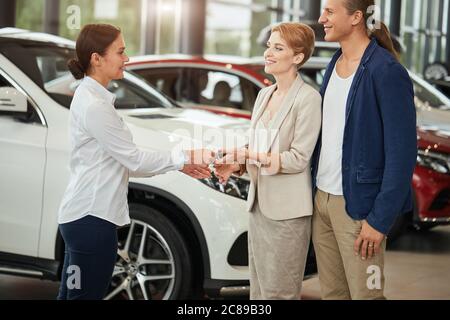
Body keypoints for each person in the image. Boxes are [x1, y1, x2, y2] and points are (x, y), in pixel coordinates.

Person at [57, 24, 214, 300]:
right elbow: (133, 158)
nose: (126, 58)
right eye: (120, 51)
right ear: (96, 58)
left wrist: (181, 164)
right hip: (91, 221)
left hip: (86, 219)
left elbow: (127, 159)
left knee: (73, 297)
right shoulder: (94, 105)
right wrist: (184, 158)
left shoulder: (93, 98)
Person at [311, 0, 417, 299]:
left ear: (356, 17)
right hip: (323, 201)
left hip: (358, 209)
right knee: (333, 294)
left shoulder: (386, 71)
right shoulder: (335, 62)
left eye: (330, 12)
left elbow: (402, 154)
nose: (322, 19)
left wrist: (379, 220)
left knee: (366, 296)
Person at [215, 22, 322, 300]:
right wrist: (238, 162)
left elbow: (298, 159)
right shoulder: (265, 94)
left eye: (278, 48)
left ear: (297, 58)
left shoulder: (308, 99)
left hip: (288, 214)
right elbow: (260, 148)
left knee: (281, 293)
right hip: (259, 206)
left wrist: (249, 155)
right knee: (259, 292)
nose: (268, 53)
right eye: (268, 46)